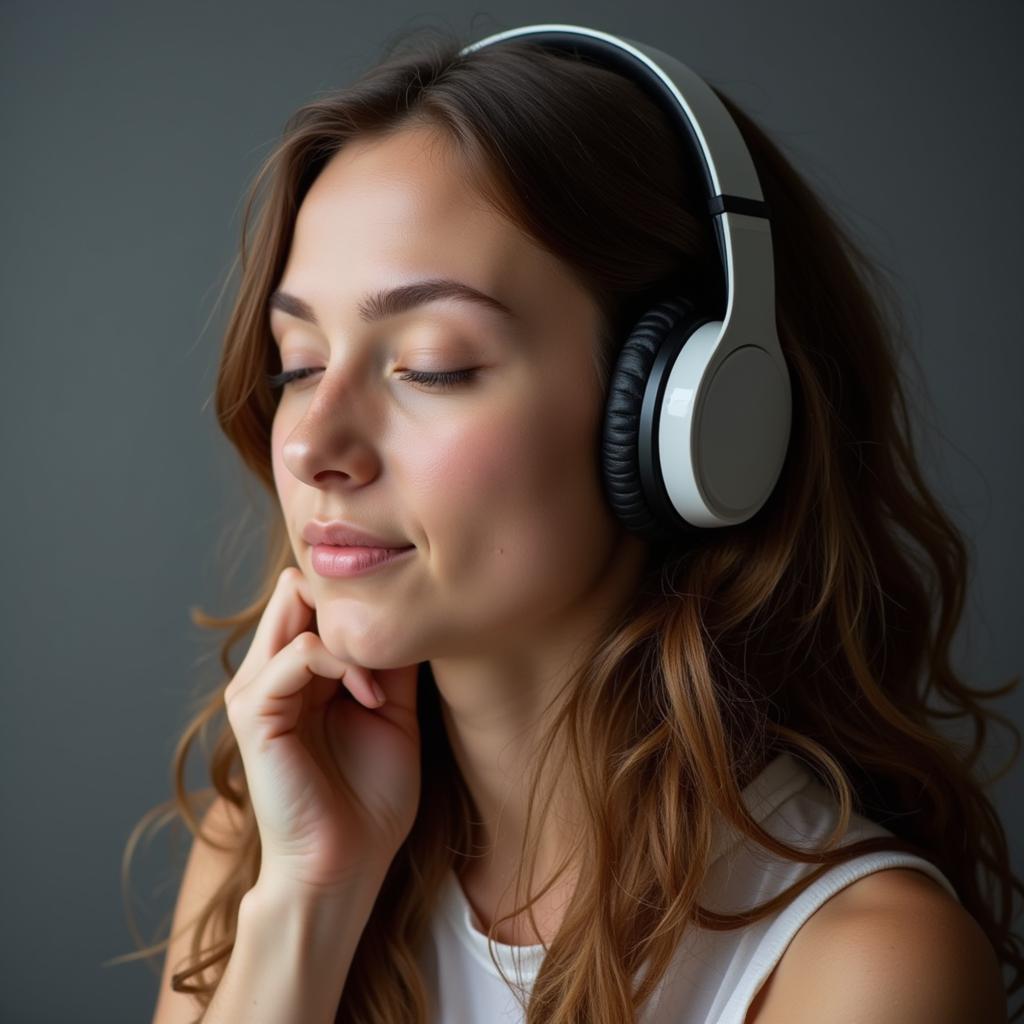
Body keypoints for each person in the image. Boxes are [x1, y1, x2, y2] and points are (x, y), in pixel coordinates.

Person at [113, 23, 1018, 1024]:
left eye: (432, 362)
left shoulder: (863, 967)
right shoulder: (272, 838)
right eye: (296, 364)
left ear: (690, 417)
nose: (310, 443)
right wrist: (311, 900)